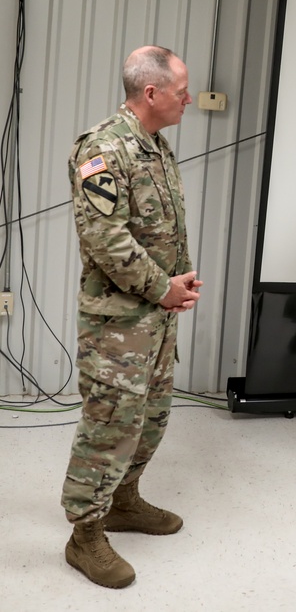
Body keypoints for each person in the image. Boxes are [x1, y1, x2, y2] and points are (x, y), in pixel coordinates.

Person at [62, 45, 201, 588]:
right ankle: (85, 534)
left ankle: (123, 500)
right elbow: (105, 239)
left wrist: (179, 282)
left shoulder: (157, 147)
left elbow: (162, 231)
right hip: (117, 324)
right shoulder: (103, 149)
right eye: (181, 89)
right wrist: (161, 287)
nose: (188, 97)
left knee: (152, 418)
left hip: (157, 319)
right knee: (109, 425)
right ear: (151, 92)